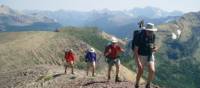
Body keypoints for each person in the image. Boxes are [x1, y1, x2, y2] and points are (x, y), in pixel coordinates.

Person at [133, 23, 159, 88]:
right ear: (146, 30)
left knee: (152, 70)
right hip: (141, 55)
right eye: (149, 31)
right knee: (140, 71)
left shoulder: (153, 36)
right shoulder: (139, 36)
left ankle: (148, 85)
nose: (151, 33)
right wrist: (138, 63)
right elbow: (135, 51)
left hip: (150, 54)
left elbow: (153, 45)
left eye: (152, 31)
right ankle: (136, 84)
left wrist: (155, 48)